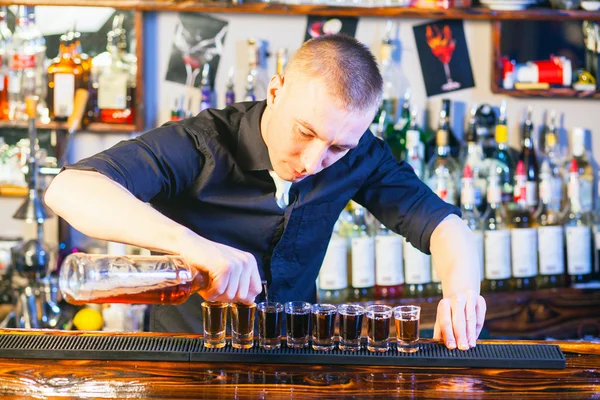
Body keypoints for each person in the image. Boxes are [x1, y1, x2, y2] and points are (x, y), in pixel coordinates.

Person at [46, 34, 486, 351]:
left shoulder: (361, 155)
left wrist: (462, 293)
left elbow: (445, 227)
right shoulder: (202, 142)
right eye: (305, 132)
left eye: (337, 146)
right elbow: (69, 189)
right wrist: (194, 246)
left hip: (296, 363)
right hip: (187, 363)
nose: (314, 162)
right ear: (276, 91)